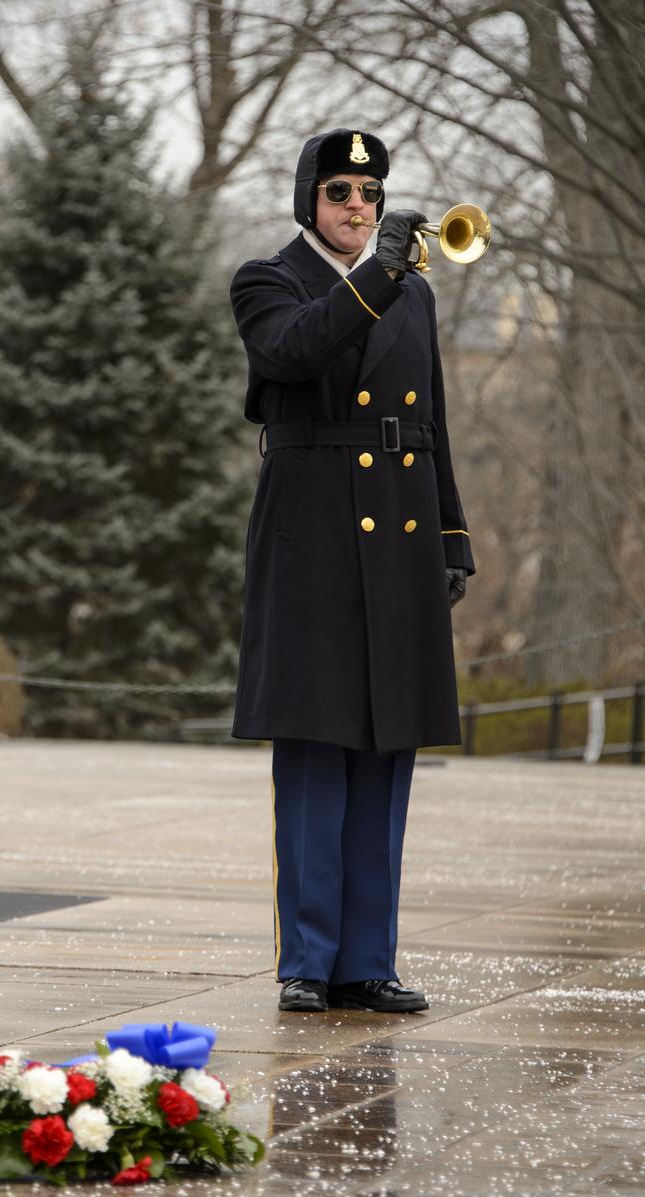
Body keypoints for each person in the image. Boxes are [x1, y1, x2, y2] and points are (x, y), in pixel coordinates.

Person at [229, 128, 475, 1014]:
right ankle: (308, 961)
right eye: (340, 193)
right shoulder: (267, 280)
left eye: (370, 196)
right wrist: (380, 275)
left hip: (401, 538)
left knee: (385, 756)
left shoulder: (412, 297)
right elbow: (293, 350)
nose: (358, 209)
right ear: (310, 200)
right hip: (313, 536)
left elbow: (431, 420)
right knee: (314, 756)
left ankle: (368, 962)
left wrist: (451, 534)